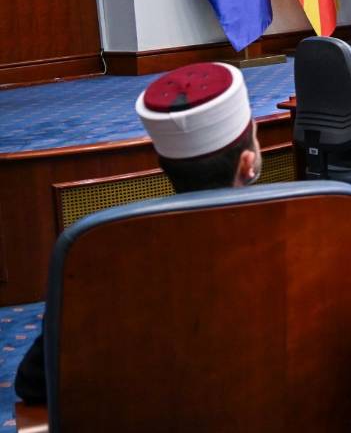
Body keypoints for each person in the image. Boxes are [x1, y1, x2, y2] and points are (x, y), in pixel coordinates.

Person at [18, 63, 267, 404]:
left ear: (165, 167)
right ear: (247, 163)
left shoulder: (96, 258)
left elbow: (33, 384)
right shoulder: (318, 232)